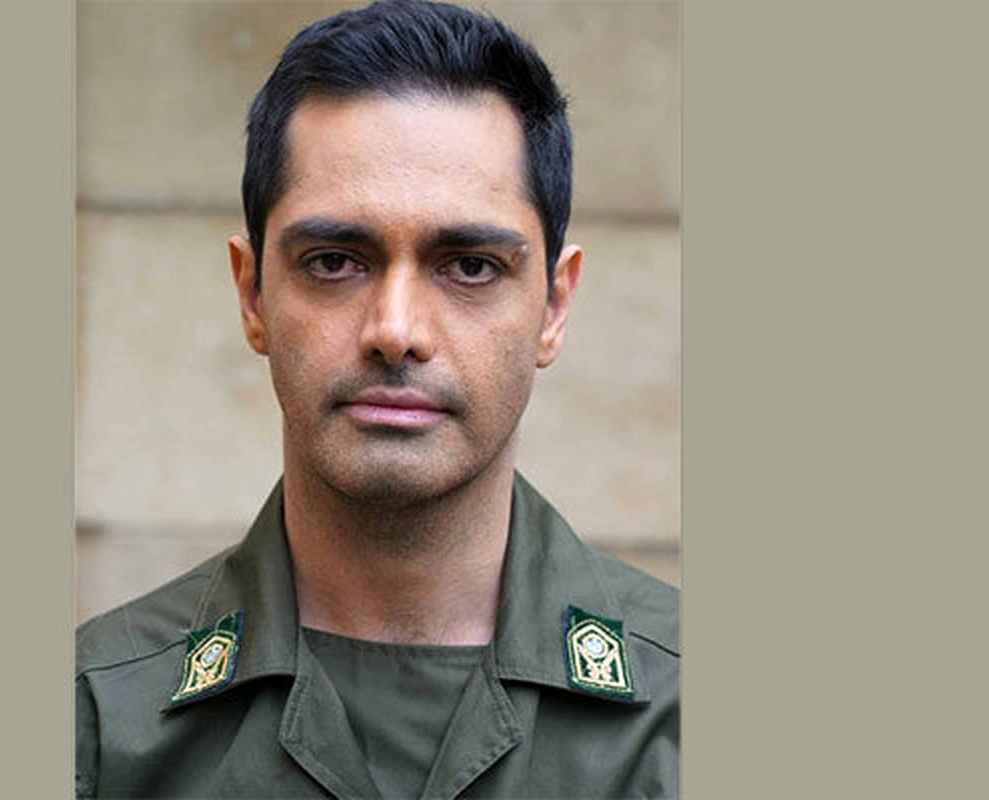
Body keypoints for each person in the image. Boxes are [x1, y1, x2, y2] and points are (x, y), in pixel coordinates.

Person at [75, 1, 679, 797]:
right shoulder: (98, 720)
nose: (395, 331)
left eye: (470, 266)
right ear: (253, 294)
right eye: (334, 261)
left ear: (553, 306)